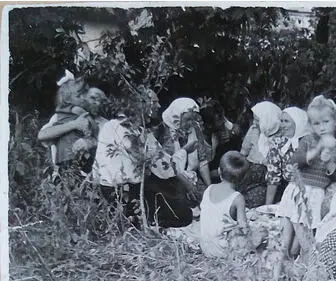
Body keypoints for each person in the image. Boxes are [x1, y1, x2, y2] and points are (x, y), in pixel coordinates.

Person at [276, 95, 336, 257]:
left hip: (315, 195)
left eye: (326, 122)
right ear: (310, 125)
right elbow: (295, 160)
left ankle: (299, 267)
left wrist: (330, 160)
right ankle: (278, 269)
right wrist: (315, 152)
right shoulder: (308, 140)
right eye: (317, 123)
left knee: (302, 241)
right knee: (285, 238)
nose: (322, 128)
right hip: (296, 190)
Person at [90, 86, 164, 226]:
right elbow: (139, 156)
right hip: (118, 188)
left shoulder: (136, 129)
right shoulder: (120, 128)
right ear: (142, 103)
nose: (158, 106)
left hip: (128, 186)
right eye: (154, 102)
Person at [143, 97, 208, 228]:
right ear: (176, 117)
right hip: (167, 180)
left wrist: (209, 187)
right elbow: (166, 166)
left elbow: (202, 161)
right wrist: (187, 185)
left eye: (193, 119)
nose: (191, 123)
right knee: (183, 212)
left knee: (207, 200)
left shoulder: (194, 129)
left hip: (189, 176)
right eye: (188, 119)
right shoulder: (161, 132)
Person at [199, 151, 266, 258]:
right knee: (262, 232)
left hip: (205, 246)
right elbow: (244, 228)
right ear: (244, 179)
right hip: (222, 250)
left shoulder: (209, 189)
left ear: (219, 171)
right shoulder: (237, 198)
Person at [37, 71, 100, 180]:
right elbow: (42, 135)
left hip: (81, 167)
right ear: (68, 98)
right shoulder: (69, 114)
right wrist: (74, 124)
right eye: (80, 95)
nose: (84, 98)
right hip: (71, 162)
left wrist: (91, 141)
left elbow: (100, 138)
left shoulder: (105, 122)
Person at [239, 101, 283, 208]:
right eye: (254, 119)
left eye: (257, 120)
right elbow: (243, 153)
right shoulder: (254, 129)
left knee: (254, 198)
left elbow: (276, 170)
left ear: (268, 120)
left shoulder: (281, 136)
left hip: (268, 178)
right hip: (250, 171)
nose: (254, 123)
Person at [265, 106, 311, 205]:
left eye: (286, 121)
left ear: (298, 122)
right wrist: (267, 206)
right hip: (290, 191)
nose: (282, 125)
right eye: (281, 121)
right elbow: (273, 176)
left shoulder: (311, 142)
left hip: (312, 190)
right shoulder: (278, 143)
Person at [199, 98, 242, 171]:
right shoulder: (198, 138)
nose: (224, 121)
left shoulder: (221, 121)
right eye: (220, 119)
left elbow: (237, 129)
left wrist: (232, 134)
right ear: (209, 125)